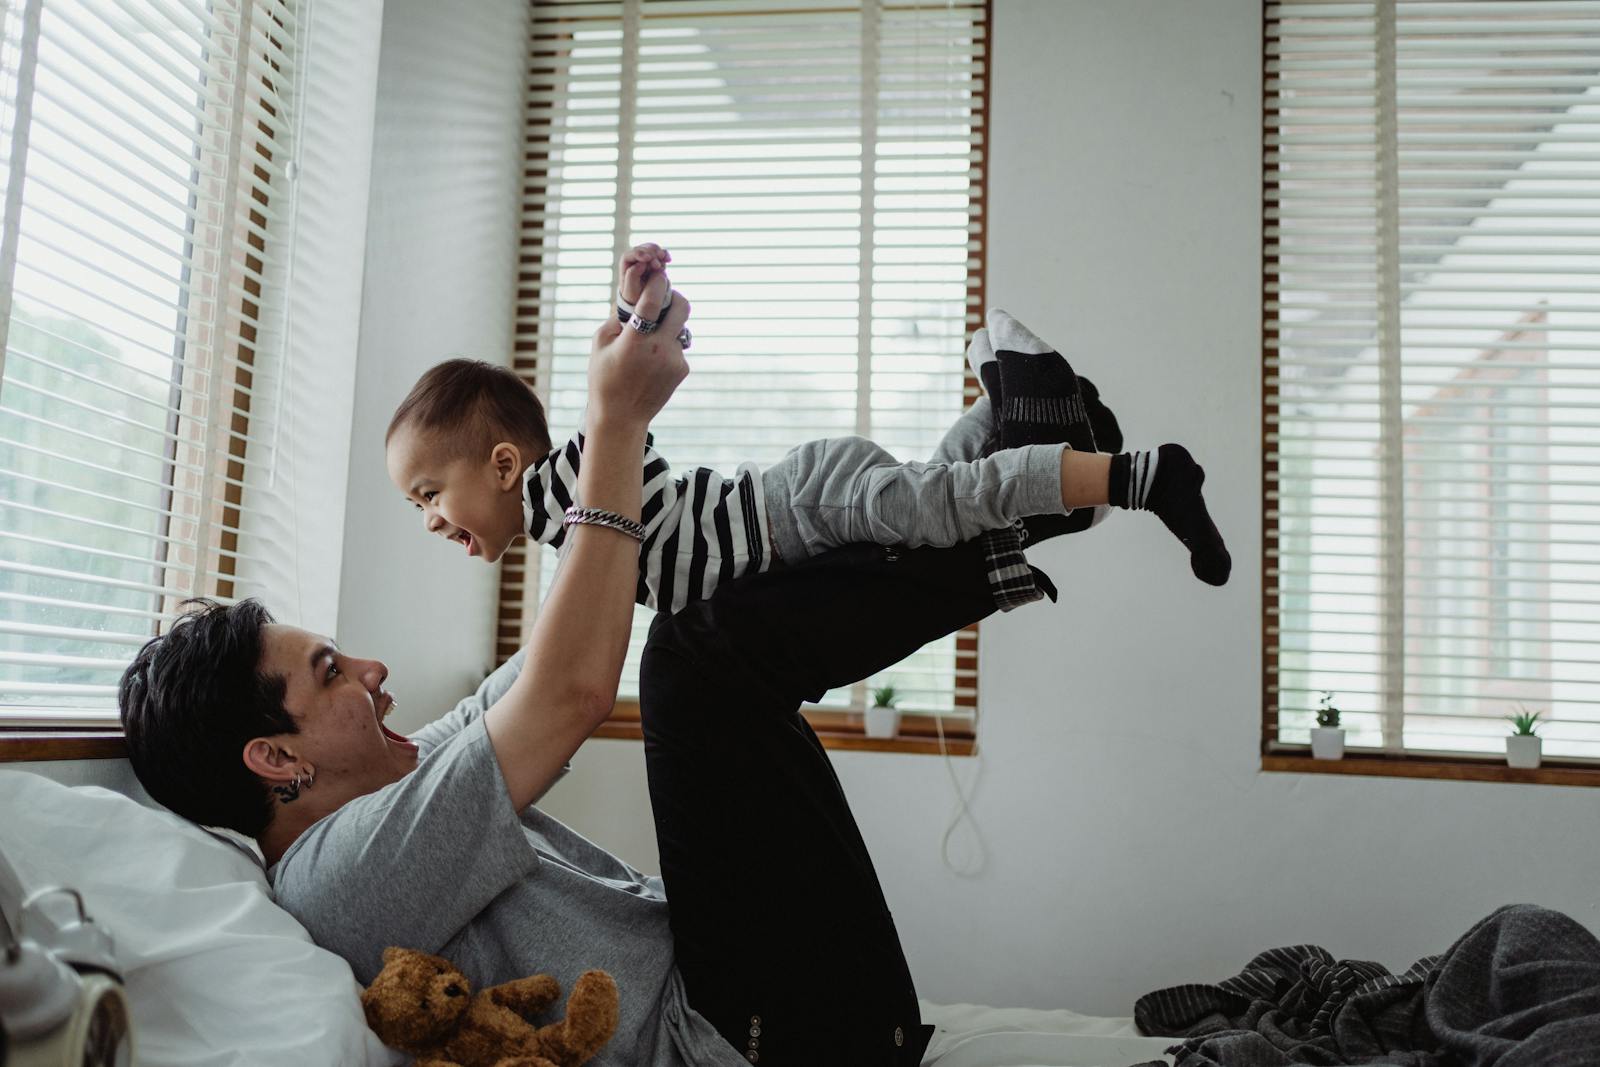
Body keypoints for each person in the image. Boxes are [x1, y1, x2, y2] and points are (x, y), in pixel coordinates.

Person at [384, 244, 1230, 620]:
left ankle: (1145, 476)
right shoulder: (565, 521)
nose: (426, 518)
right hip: (806, 506)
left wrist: (632, 303)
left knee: (949, 505)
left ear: (502, 464)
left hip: (799, 504)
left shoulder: (576, 482)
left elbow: (619, 405)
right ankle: (1013, 387)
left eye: (428, 492)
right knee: (945, 491)